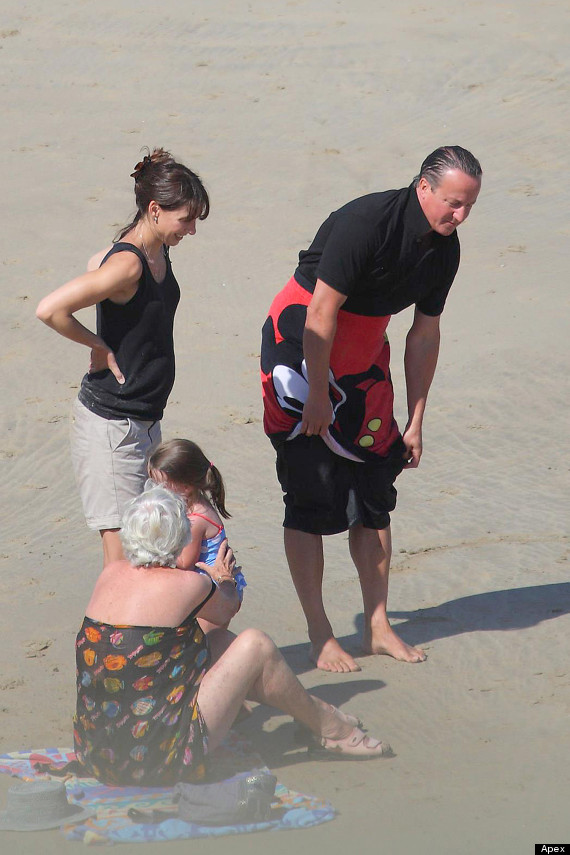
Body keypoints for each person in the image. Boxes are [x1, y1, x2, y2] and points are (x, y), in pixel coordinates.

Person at [261, 146, 482, 673]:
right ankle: (320, 635)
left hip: (363, 356)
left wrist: (417, 419)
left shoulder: (444, 251)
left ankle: (378, 625)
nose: (461, 216)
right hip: (301, 345)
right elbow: (319, 312)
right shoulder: (366, 223)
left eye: (470, 205)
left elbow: (424, 335)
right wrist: (316, 394)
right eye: (453, 203)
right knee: (311, 492)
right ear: (423, 187)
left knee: (377, 489)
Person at [73, 487, 391, 787]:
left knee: (217, 644)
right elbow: (227, 610)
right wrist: (221, 578)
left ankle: (313, 711)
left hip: (98, 751)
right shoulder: (188, 585)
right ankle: (328, 727)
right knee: (255, 645)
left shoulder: (110, 574)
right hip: (157, 760)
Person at [36, 148, 209, 566]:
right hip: (112, 429)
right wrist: (99, 343)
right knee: (123, 565)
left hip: (144, 423)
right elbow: (49, 309)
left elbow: (98, 262)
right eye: (186, 219)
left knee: (151, 552)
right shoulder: (129, 266)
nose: (191, 230)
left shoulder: (154, 249)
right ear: (154, 210)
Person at [147, 438, 247, 632]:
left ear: (185, 487)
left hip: (215, 590)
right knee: (207, 647)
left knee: (206, 646)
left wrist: (156, 554)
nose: (156, 491)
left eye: (161, 485)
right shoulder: (192, 505)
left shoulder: (196, 519)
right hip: (214, 586)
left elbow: (185, 562)